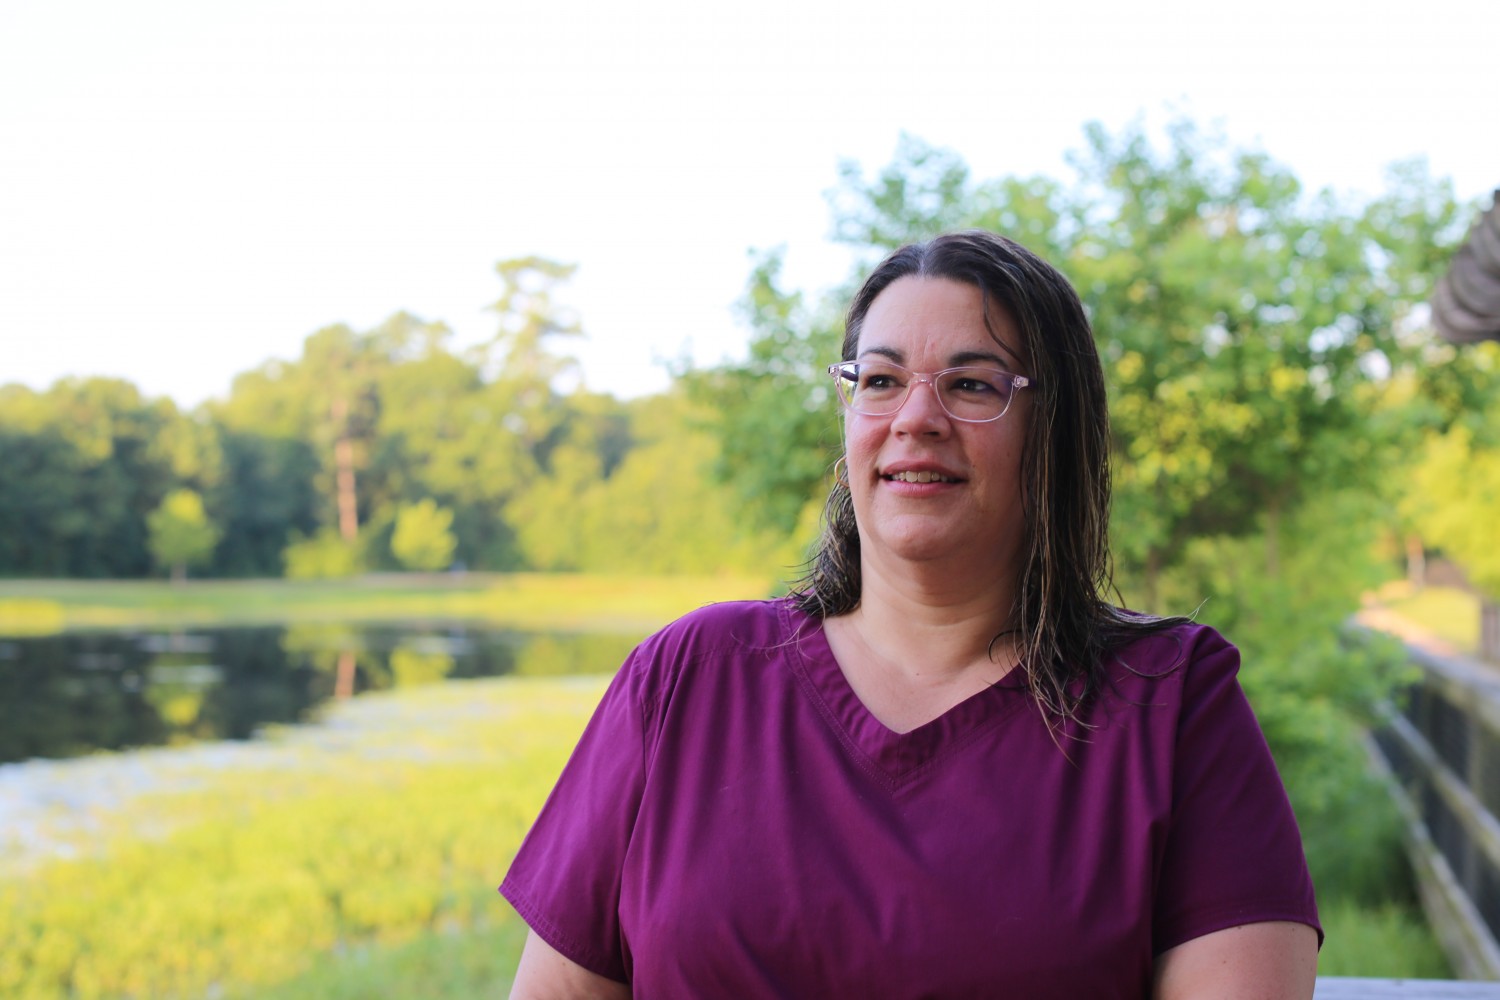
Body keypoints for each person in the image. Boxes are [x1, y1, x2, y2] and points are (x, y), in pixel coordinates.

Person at [501, 231, 1321, 999]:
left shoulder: (1171, 703)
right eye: (882, 381)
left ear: (1054, 430)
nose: (915, 418)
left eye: (972, 385)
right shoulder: (687, 679)